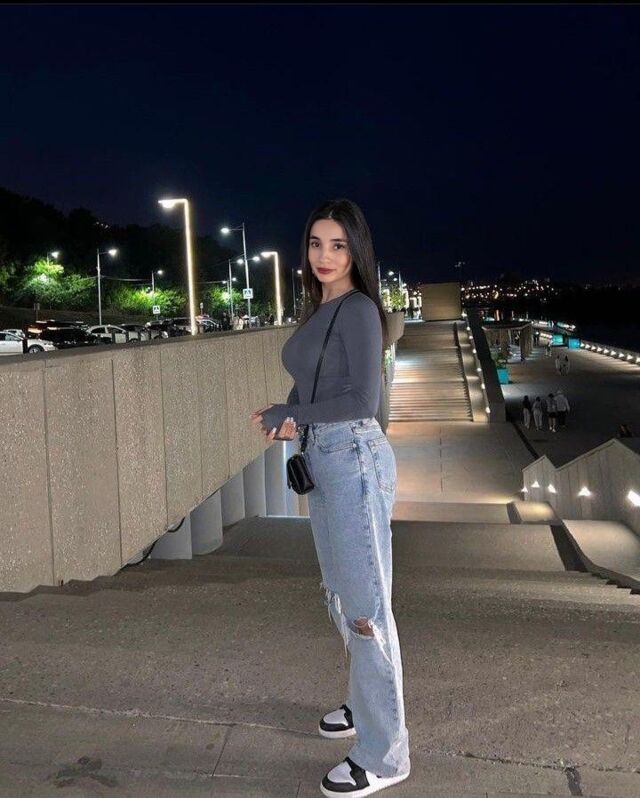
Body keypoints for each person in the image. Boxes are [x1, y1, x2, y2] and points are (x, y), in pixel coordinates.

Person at [249, 199, 411, 796]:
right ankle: (364, 705)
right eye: (316, 244)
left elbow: (362, 400)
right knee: (342, 596)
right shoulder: (320, 307)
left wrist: (292, 411)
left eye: (338, 245)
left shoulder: (361, 309)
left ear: (356, 251)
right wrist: (291, 413)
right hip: (324, 456)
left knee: (367, 609)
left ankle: (385, 755)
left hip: (354, 458)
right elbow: (316, 383)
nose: (325, 256)